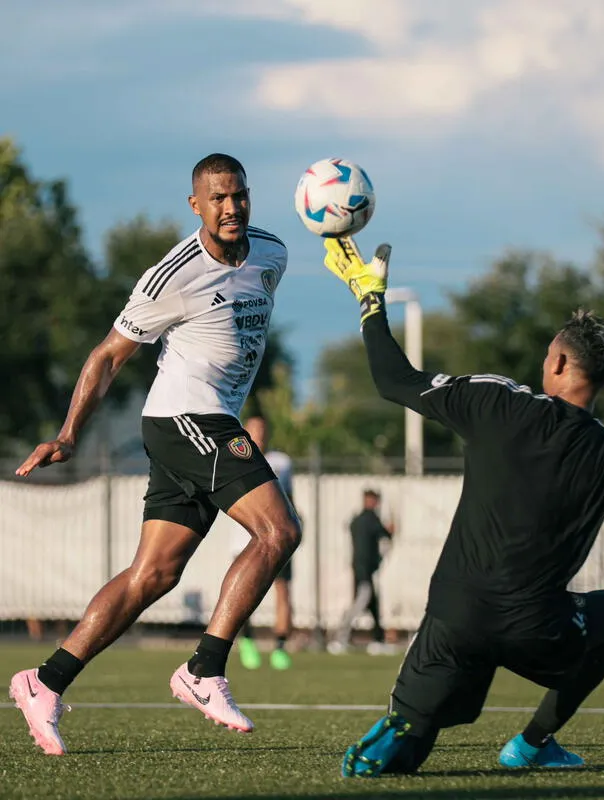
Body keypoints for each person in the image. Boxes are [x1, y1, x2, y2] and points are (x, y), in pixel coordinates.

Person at [10, 153, 302, 756]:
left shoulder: (272, 253)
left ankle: (45, 681)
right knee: (279, 530)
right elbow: (107, 355)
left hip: (198, 420)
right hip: (186, 417)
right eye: (217, 198)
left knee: (154, 575)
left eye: (239, 195)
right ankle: (203, 669)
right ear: (195, 205)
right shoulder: (171, 275)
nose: (231, 208)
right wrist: (69, 434)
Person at [323, 236, 604, 778]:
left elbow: (392, 379)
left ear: (559, 361)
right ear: (603, 379)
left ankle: (405, 729)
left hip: (455, 615)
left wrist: (370, 302)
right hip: (537, 626)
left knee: (411, 742)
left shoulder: (498, 401)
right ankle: (534, 744)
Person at [231, 415, 297, 671]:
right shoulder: (236, 457)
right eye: (254, 429)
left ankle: (280, 647)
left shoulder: (282, 462)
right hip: (243, 540)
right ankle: (247, 640)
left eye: (263, 429)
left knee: (283, 591)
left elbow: (290, 497)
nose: (259, 434)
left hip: (278, 538)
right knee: (245, 592)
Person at [328, 489, 393, 654]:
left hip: (361, 568)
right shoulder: (370, 520)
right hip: (364, 569)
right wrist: (391, 530)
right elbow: (385, 534)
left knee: (373, 605)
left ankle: (378, 640)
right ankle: (340, 638)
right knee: (360, 603)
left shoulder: (356, 520)